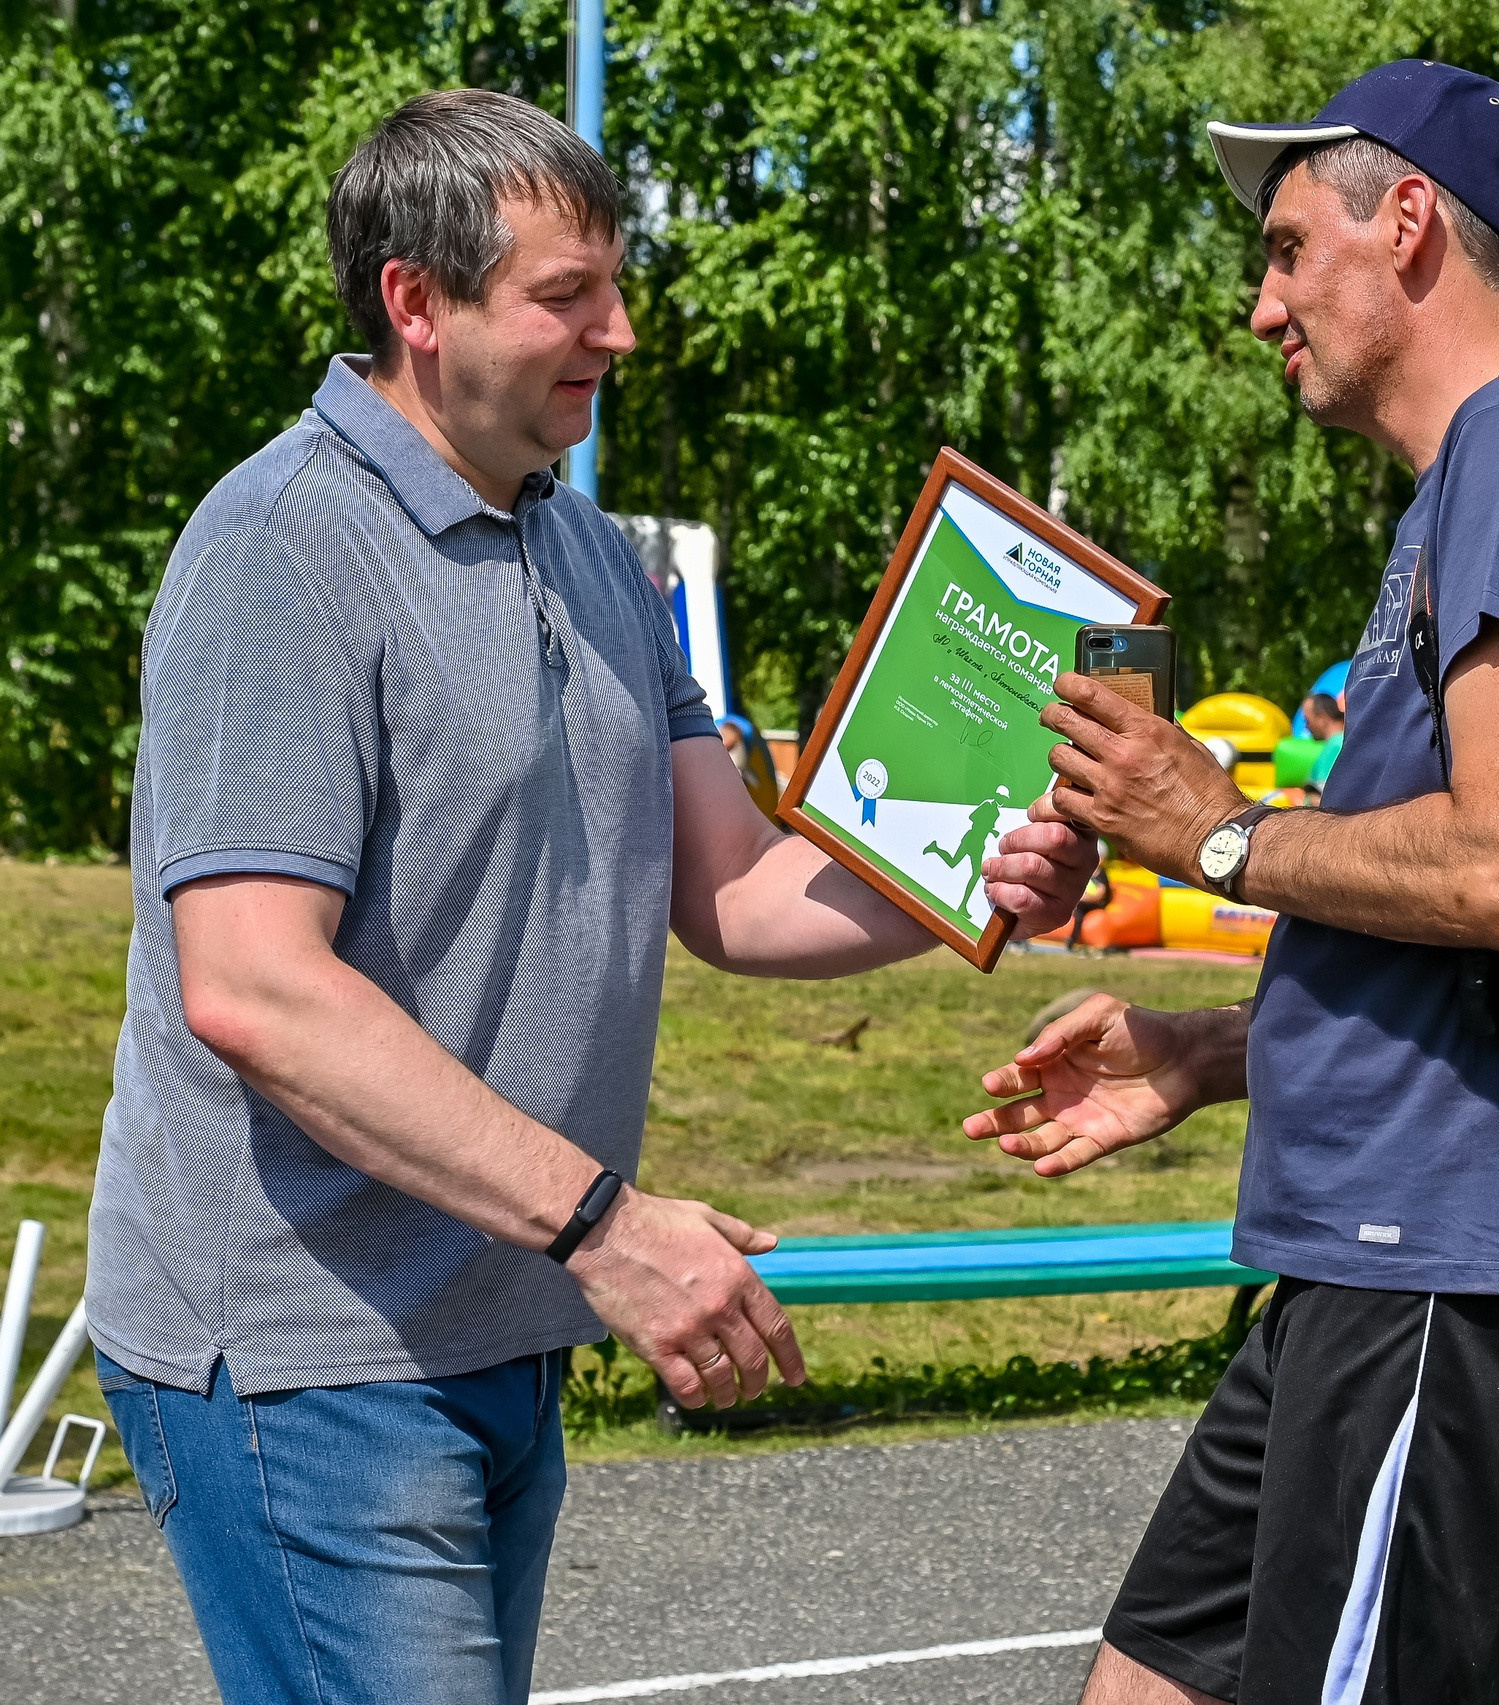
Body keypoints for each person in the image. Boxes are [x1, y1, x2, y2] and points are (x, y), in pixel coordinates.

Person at [84, 90, 1096, 1705]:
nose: (618, 333)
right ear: (416, 302)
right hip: (303, 1356)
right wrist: (605, 1227)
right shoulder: (280, 547)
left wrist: (976, 877)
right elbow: (255, 988)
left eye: (616, 288)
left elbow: (740, 888)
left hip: (503, 1320)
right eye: (568, 296)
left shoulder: (600, 557)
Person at [961, 60, 1499, 1704]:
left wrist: (1216, 833)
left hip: (1446, 1274)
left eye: (1287, 248)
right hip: (1389, 1268)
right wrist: (1212, 1050)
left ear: (1409, 225)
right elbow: (1468, 912)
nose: (1264, 307)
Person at [1299, 691, 1345, 792]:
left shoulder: (1335, 746)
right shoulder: (1343, 742)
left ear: (1322, 717)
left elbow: (1322, 794)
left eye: (1307, 721)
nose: (1306, 727)